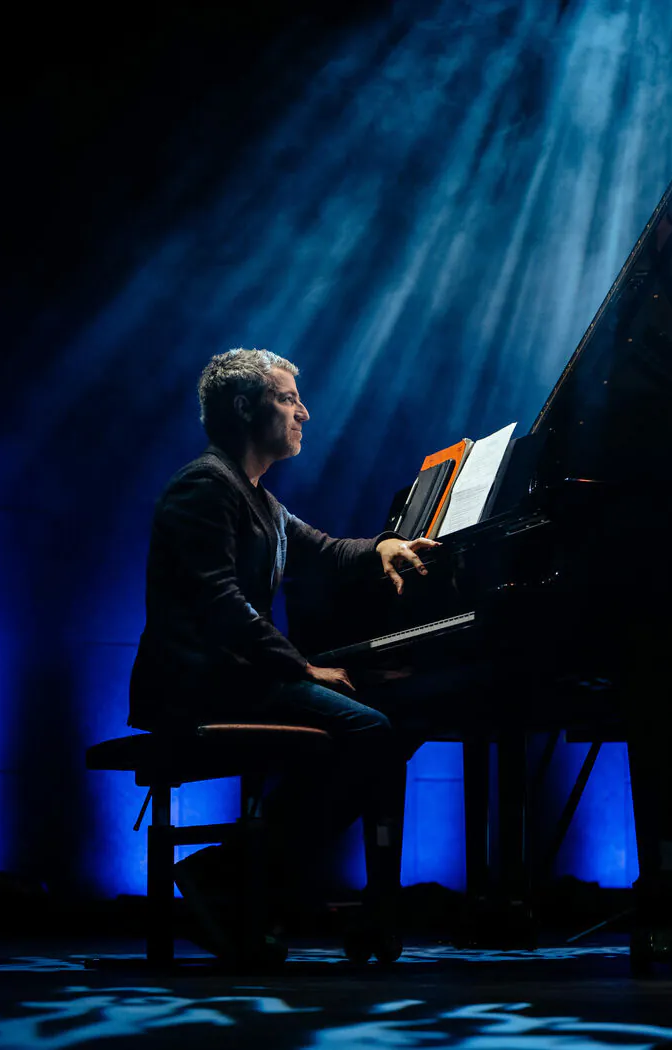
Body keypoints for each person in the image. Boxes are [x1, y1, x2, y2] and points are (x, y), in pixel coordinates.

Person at [129, 347, 439, 960]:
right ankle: (230, 877)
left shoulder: (259, 501)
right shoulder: (205, 487)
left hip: (236, 676)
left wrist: (382, 547)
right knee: (372, 732)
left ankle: (245, 882)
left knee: (383, 726)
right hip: (200, 684)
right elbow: (221, 605)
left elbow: (322, 549)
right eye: (288, 398)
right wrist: (301, 667)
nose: (305, 411)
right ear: (246, 407)